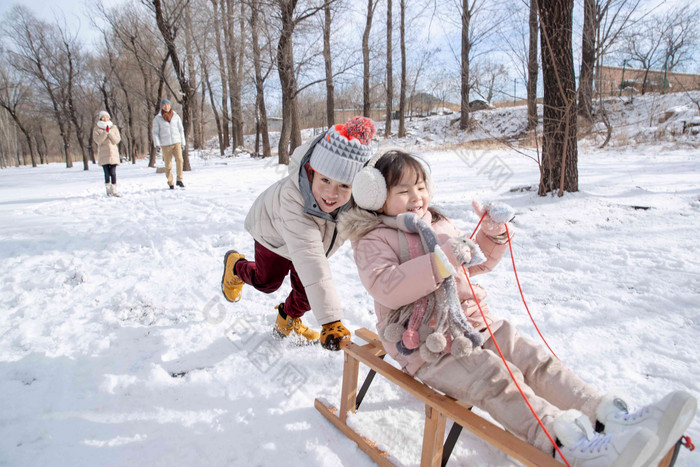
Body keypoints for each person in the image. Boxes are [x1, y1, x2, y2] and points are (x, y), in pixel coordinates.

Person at [338, 149, 697, 466]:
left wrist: (490, 236)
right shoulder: (373, 239)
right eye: (403, 191)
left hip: (473, 325)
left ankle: (606, 416)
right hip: (428, 346)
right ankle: (567, 444)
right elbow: (387, 287)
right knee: (494, 378)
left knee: (533, 360)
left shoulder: (437, 222)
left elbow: (472, 265)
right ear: (377, 197)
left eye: (420, 186)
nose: (416, 197)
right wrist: (444, 260)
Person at [220, 117, 377, 350]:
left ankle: (287, 319)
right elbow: (310, 258)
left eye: (344, 185)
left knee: (306, 293)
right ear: (311, 172)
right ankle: (235, 267)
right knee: (267, 282)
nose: (331, 194)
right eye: (325, 180)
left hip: (310, 244)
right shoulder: (293, 197)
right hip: (273, 233)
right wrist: (331, 320)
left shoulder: (356, 203)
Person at [152, 99, 186, 189]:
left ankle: (179, 180)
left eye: (167, 105)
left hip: (176, 142)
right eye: (164, 105)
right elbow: (155, 132)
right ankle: (170, 182)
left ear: (170, 106)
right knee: (168, 165)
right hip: (165, 144)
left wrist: (183, 142)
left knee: (180, 160)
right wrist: (157, 144)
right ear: (161, 106)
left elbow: (181, 129)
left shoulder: (176, 116)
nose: (166, 106)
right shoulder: (157, 118)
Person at [93, 110, 122, 197]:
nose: (105, 118)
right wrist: (105, 133)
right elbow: (98, 141)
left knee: (113, 172)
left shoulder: (114, 128)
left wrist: (110, 133)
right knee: (106, 173)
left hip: (113, 154)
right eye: (103, 117)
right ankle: (108, 189)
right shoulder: (96, 129)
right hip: (103, 154)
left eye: (106, 117)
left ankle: (114, 189)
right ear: (100, 118)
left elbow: (117, 140)